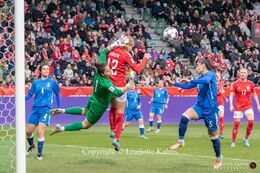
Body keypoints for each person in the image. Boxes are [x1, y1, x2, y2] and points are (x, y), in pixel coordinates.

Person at [50, 42, 133, 151]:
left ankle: (62, 111)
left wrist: (115, 44)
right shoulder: (106, 82)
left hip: (93, 97)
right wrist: (127, 86)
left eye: (109, 68)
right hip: (99, 105)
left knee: (84, 110)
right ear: (103, 73)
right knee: (86, 124)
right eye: (108, 71)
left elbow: (104, 52)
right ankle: (61, 128)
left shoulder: (99, 71)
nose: (110, 71)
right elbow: (117, 92)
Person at [167, 58, 222, 169]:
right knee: (184, 117)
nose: (196, 67)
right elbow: (188, 87)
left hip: (210, 110)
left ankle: (218, 158)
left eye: (197, 65)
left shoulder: (210, 74)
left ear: (203, 66)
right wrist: (175, 83)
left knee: (213, 135)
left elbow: (206, 81)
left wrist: (191, 81)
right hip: (199, 107)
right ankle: (181, 141)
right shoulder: (200, 78)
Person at [106, 35, 150, 151]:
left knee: (113, 108)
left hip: (109, 85)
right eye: (131, 46)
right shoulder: (125, 54)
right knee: (120, 112)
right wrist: (145, 58)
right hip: (120, 86)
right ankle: (117, 138)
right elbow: (138, 69)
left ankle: (112, 129)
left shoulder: (111, 51)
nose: (131, 48)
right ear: (127, 44)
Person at [25, 62, 61, 160]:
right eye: (44, 69)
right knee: (28, 131)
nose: (46, 70)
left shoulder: (52, 82)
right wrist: (21, 100)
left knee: (40, 131)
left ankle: (39, 154)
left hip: (46, 109)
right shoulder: (35, 83)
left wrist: (59, 107)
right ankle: (32, 146)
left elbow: (57, 94)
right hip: (35, 109)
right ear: (40, 71)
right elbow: (29, 95)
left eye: (47, 69)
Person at [229, 68, 260, 147]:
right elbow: (231, 94)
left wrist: (258, 105)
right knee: (237, 123)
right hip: (238, 107)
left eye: (244, 73)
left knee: (251, 122)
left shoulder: (251, 84)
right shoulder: (235, 84)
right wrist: (231, 104)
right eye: (241, 72)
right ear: (239, 73)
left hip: (248, 106)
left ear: (247, 74)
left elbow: (255, 94)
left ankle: (246, 139)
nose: (243, 74)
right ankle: (233, 141)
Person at [216, 72, 226, 138]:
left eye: (219, 76)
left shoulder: (221, 84)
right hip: (213, 103)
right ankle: (215, 133)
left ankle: (221, 133)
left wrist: (224, 98)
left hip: (220, 103)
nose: (218, 77)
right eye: (216, 76)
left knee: (221, 118)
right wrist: (220, 92)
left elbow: (222, 92)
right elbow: (212, 93)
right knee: (215, 119)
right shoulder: (212, 84)